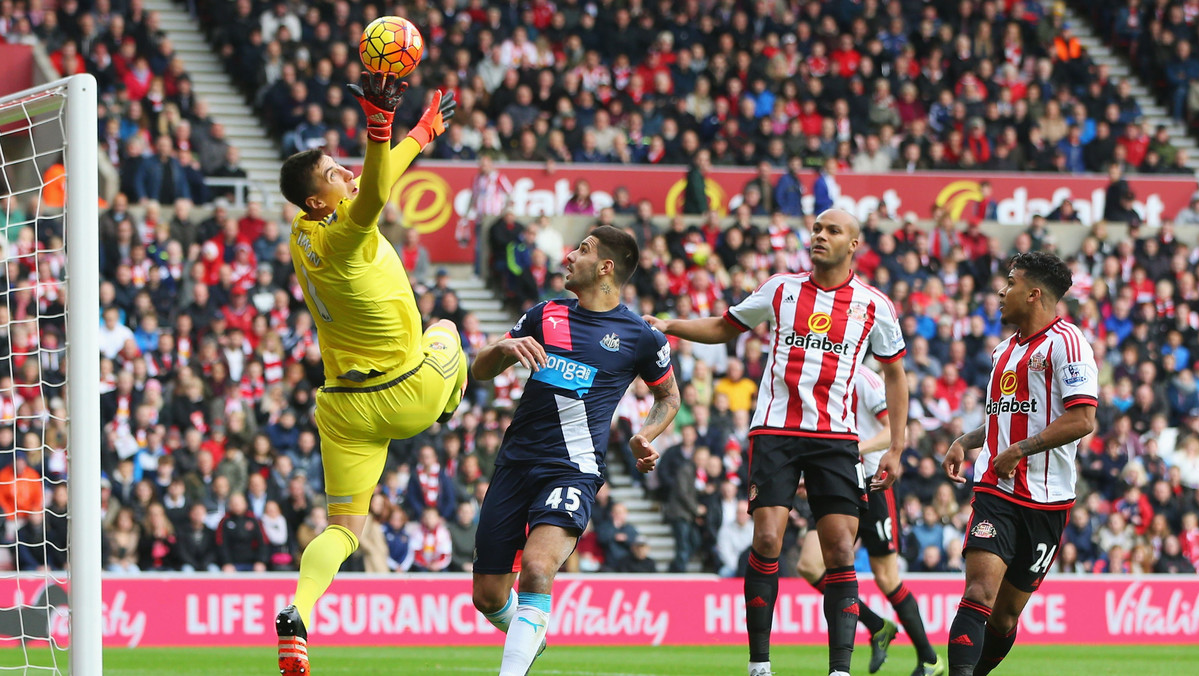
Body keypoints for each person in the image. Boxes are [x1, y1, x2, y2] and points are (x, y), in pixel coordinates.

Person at [645, 208, 909, 676]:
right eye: (817, 229)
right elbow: (726, 326)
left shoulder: (875, 306)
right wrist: (669, 325)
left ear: (854, 245)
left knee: (841, 552)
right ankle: (759, 665)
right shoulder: (781, 288)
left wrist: (896, 445)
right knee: (767, 538)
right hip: (775, 432)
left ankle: (839, 670)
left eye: (832, 231)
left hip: (837, 437)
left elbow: (894, 374)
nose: (820, 236)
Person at [273, 72, 463, 676]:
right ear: (320, 203)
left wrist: (421, 133)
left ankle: (298, 611)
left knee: (344, 530)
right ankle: (452, 402)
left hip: (342, 409)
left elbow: (373, 182)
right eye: (335, 174)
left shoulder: (304, 231)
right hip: (407, 392)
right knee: (449, 332)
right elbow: (376, 191)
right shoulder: (345, 236)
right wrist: (383, 127)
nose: (349, 173)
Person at [470, 225, 681, 676]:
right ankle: (530, 633)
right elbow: (480, 371)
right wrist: (504, 346)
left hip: (573, 468)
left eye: (581, 250)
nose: (568, 256)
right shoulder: (544, 314)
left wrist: (647, 434)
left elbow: (669, 398)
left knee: (538, 568)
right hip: (513, 465)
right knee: (487, 596)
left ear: (606, 267)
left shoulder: (640, 335)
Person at [942, 252, 1098, 676]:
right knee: (978, 590)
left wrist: (1022, 450)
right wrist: (966, 440)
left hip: (1049, 501)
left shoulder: (1068, 343)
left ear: (1032, 294)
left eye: (1009, 283)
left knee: (1006, 616)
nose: (1000, 290)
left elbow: (1083, 418)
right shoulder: (1002, 352)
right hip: (997, 488)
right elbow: (1001, 414)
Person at [796, 366, 945, 675]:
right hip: (837, 481)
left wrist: (850, 451)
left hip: (875, 483)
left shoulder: (864, 379)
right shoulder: (815, 378)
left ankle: (930, 659)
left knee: (887, 578)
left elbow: (893, 431)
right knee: (810, 565)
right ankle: (877, 626)